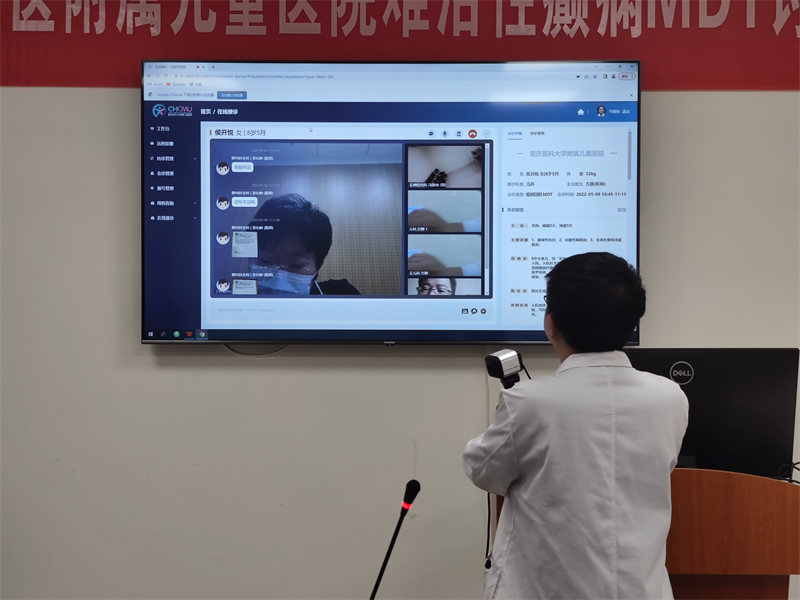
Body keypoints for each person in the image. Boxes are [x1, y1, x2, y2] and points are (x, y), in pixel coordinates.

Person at [463, 252, 688, 599]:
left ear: (550, 323)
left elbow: (483, 471)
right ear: (632, 321)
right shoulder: (670, 397)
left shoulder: (527, 402)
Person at [248, 193, 360, 295]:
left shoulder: (342, 295)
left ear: (317, 266)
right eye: (265, 260)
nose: (278, 282)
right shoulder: (238, 298)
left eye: (295, 265)